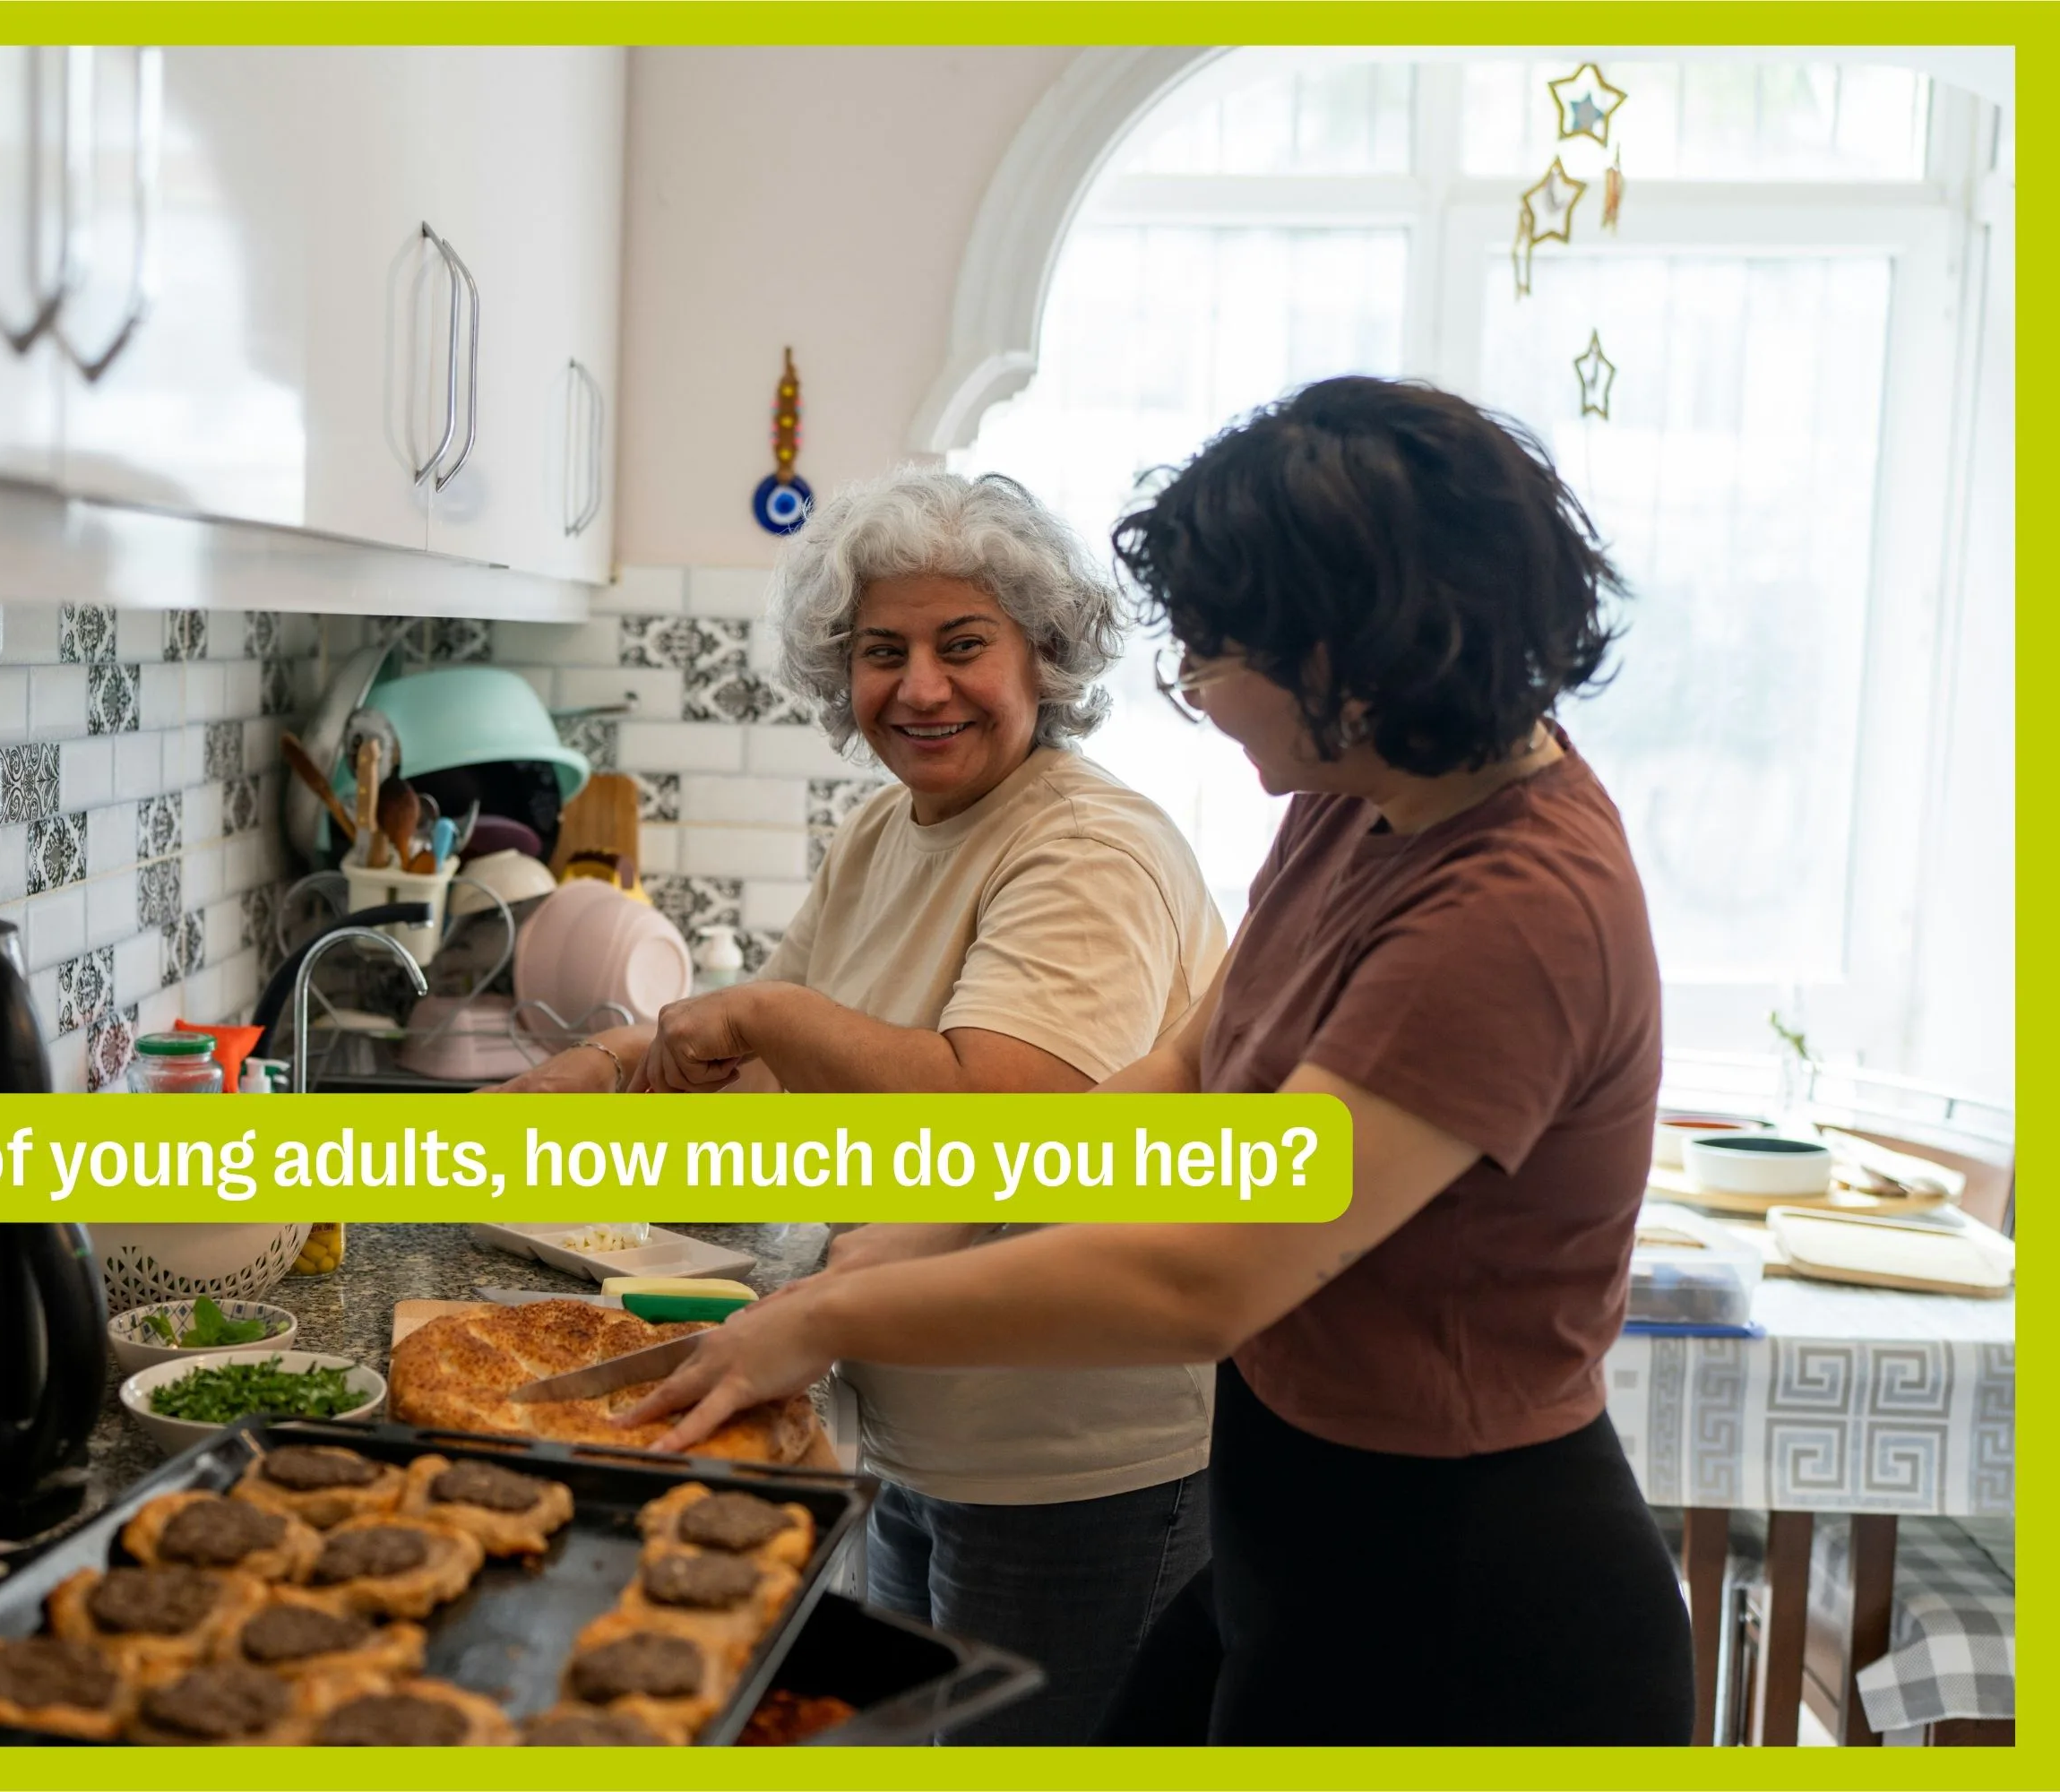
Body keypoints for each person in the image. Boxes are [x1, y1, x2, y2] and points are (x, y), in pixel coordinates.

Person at [624, 377, 1697, 1745]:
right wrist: (941, 1216)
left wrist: (827, 1319)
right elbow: (1191, 1069)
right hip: (1295, 1498)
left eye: (1214, 653)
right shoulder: (1365, 796)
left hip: (1468, 1583)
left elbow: (1215, 1269)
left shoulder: (1509, 914)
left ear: (1351, 654)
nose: (1195, 691)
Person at [498, 467, 1227, 1744]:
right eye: (883, 651)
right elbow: (773, 1063)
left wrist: (768, 1018)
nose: (921, 688)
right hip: (924, 1425)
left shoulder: (1088, 849)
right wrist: (603, 1071)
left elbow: (1003, 1123)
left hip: (1073, 1455)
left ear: (1045, 658)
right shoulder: (894, 827)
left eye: (963, 645)